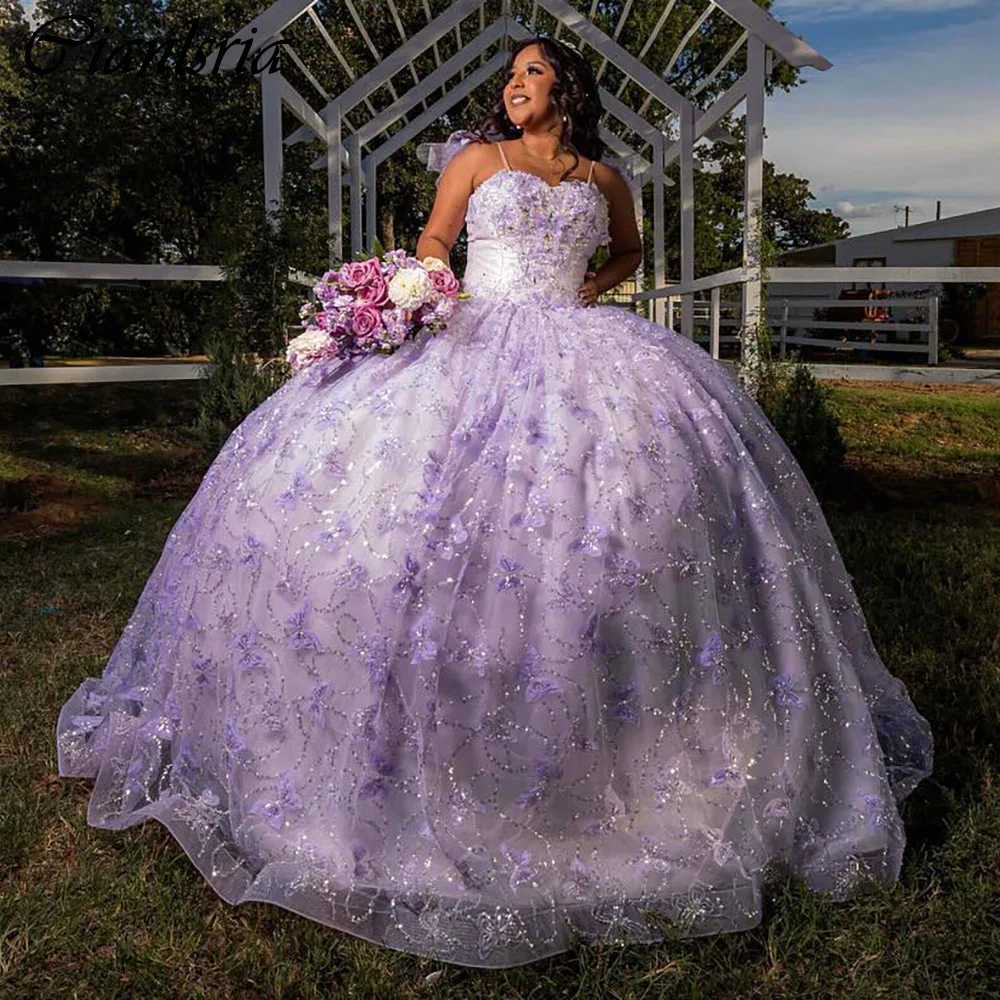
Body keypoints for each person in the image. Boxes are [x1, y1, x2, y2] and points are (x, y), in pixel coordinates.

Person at [55, 36, 933, 969]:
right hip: (471, 333)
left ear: (568, 90)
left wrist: (588, 290)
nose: (514, 86)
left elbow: (628, 249)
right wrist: (419, 292)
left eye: (533, 74)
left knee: (610, 513)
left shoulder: (605, 176)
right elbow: (438, 240)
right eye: (509, 75)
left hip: (579, 343)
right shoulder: (478, 160)